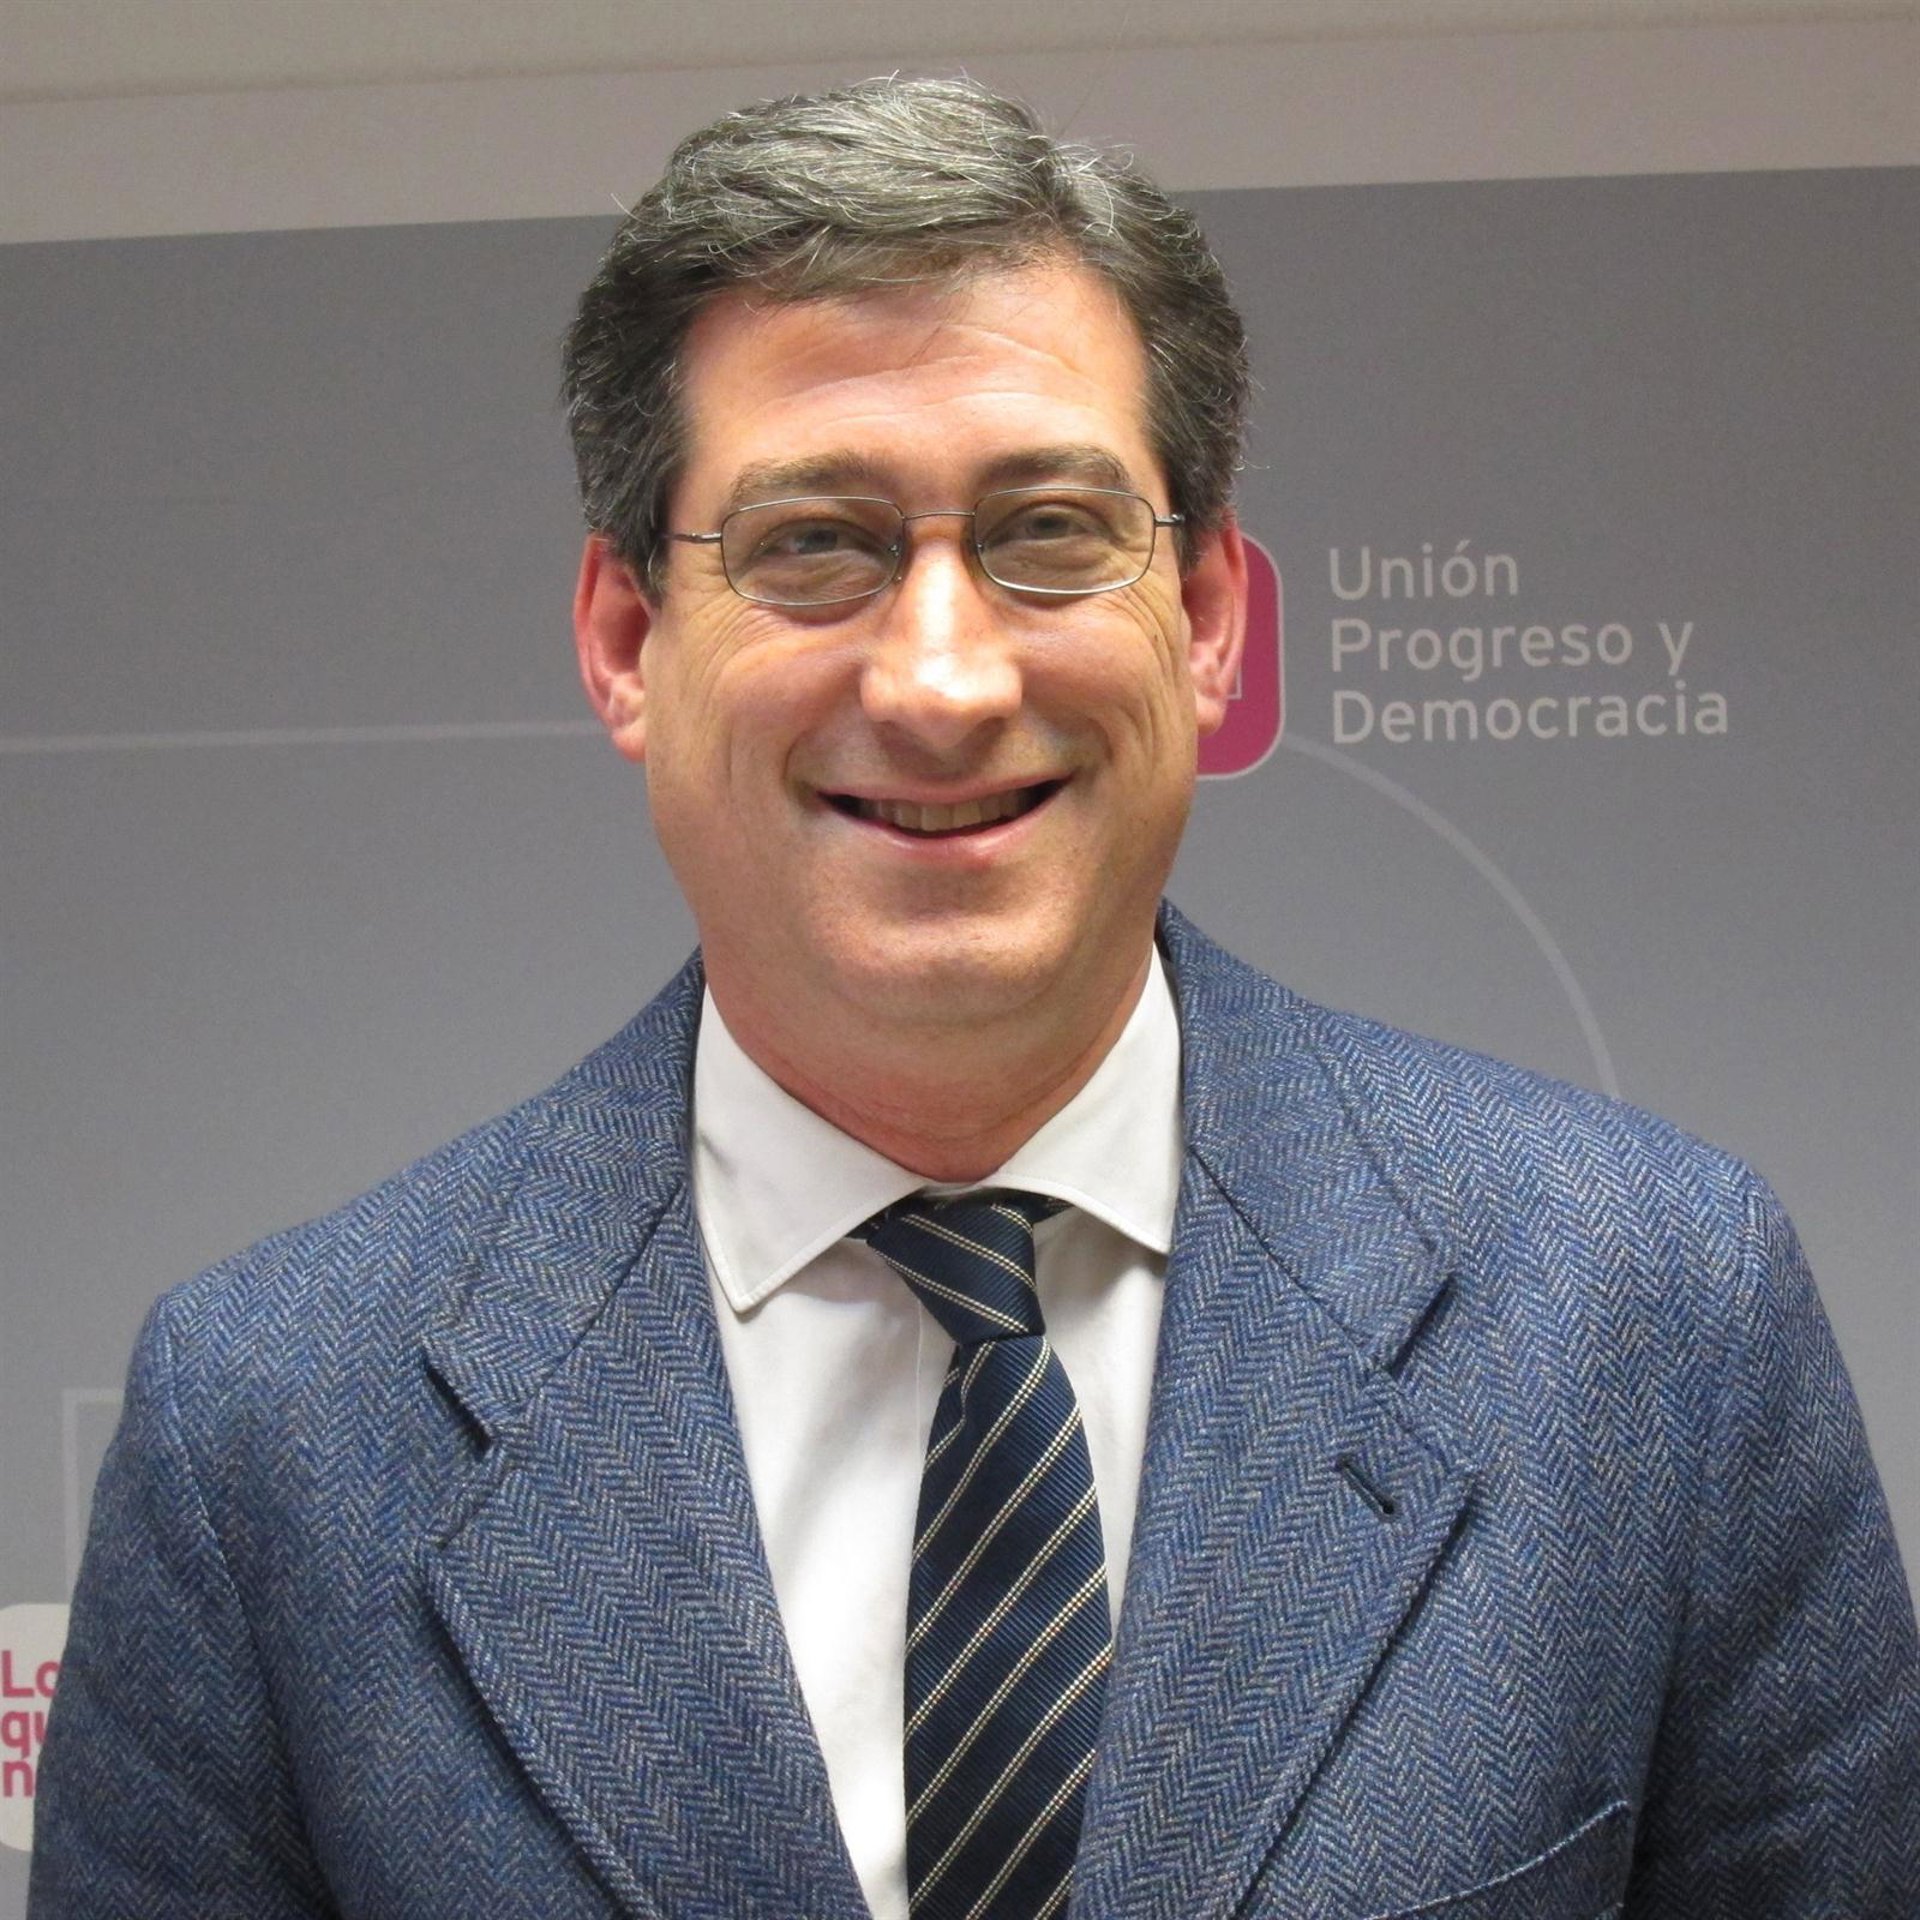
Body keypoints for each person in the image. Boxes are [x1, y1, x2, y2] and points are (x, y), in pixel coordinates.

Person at [29, 75, 1917, 1920]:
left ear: (1212, 622)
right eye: (812, 546)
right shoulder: (272, 1434)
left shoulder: (1649, 1319)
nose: (940, 681)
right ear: (624, 640)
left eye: (1049, 533)